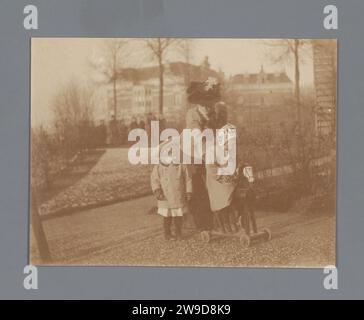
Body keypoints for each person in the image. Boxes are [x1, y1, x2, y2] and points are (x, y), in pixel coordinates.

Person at [184, 77, 221, 231]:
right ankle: (203, 224)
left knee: (216, 184)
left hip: (210, 152)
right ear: (199, 102)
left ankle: (218, 218)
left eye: (211, 102)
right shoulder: (192, 115)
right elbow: (197, 137)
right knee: (199, 188)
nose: (208, 105)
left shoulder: (213, 114)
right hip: (195, 154)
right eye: (206, 102)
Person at [150, 140, 193, 240]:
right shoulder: (159, 166)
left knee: (178, 215)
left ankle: (178, 232)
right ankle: (167, 233)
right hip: (165, 195)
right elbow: (154, 179)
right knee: (167, 216)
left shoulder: (181, 165)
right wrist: (157, 190)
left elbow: (188, 179)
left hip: (178, 194)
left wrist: (189, 191)